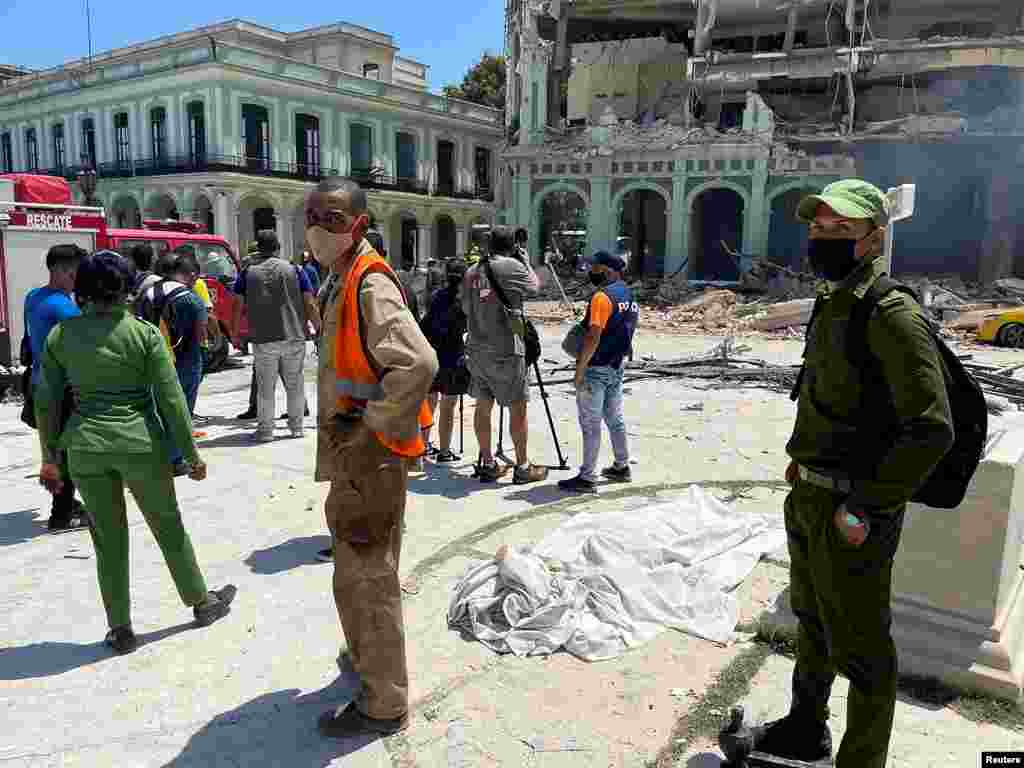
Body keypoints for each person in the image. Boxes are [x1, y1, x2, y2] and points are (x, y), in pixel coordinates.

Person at [754, 180, 954, 768]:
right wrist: (805, 457)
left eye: (840, 230)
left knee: (863, 649)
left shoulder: (889, 312)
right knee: (812, 622)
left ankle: (860, 760)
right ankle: (804, 728)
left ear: (873, 237)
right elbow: (829, 396)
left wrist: (866, 503)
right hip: (811, 494)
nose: (824, 238)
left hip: (854, 512)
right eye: (818, 228)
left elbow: (931, 428)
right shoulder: (831, 298)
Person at [34, 251, 236, 655]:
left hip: (86, 448)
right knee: (168, 525)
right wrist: (191, 455)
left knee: (108, 540)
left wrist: (50, 457)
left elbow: (47, 401)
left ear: (83, 288)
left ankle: (120, 628)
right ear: (127, 287)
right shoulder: (144, 334)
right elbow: (172, 399)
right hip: (141, 445)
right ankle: (200, 601)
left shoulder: (62, 337)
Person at [307, 177, 437, 737]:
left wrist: (369, 432)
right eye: (312, 214)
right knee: (360, 571)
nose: (319, 226)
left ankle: (383, 699)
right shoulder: (340, 275)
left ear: (358, 225)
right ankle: (368, 658)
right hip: (355, 451)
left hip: (369, 455)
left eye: (333, 218)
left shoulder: (367, 282)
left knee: (366, 578)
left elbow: (418, 364)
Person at [462, 225, 547, 484]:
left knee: (483, 406)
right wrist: (525, 261)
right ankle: (522, 467)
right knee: (517, 408)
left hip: (477, 348)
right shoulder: (511, 266)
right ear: (511, 246)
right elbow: (535, 287)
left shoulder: (471, 271)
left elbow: (466, 307)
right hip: (506, 350)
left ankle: (487, 462)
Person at [558, 252, 638, 493]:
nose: (591, 272)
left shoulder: (602, 297)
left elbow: (593, 335)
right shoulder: (627, 293)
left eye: (595, 267)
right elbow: (627, 328)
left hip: (597, 368)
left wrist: (579, 370)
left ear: (607, 270)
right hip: (616, 366)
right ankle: (621, 466)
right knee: (615, 418)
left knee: (591, 423)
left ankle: (587, 476)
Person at [232, 229, 320, 442]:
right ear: (278, 247)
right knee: (295, 383)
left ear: (257, 249)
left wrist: (235, 333)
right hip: (294, 335)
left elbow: (237, 305)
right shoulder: (295, 270)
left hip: (263, 338)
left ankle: (266, 430)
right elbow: (309, 302)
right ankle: (297, 427)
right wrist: (319, 328)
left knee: (265, 386)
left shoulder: (247, 272)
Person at [24, 244, 88, 532]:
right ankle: (61, 515)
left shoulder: (33, 297)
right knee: (68, 451)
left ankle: (66, 503)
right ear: (61, 271)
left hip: (39, 383)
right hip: (61, 387)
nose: (78, 279)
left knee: (54, 449)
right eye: (76, 273)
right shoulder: (64, 306)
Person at [421, 259, 469, 463]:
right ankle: (444, 451)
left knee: (430, 401)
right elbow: (465, 328)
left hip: (432, 354)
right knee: (448, 407)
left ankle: (423, 447)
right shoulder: (463, 302)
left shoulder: (434, 296)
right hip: (453, 356)